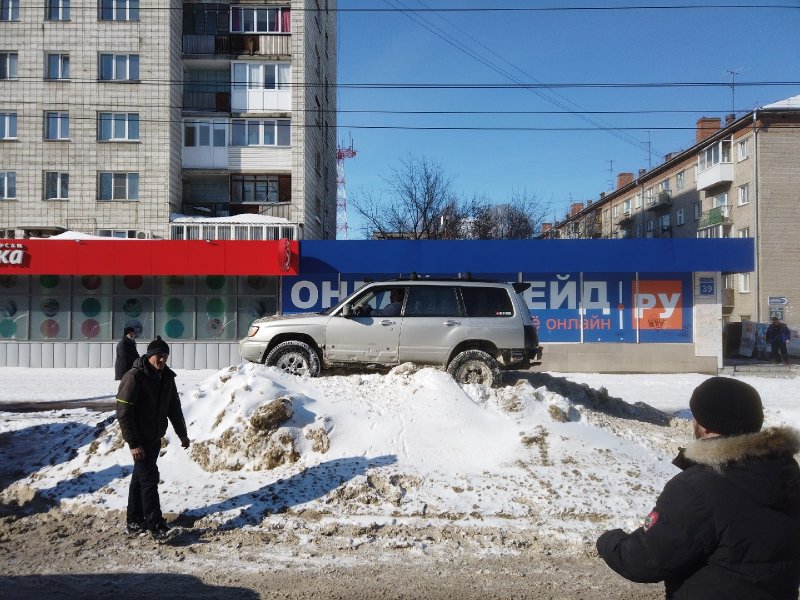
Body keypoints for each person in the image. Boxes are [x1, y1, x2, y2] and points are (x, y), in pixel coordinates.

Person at [596, 376, 800, 599]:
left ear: (704, 424)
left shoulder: (699, 487)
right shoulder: (786, 472)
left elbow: (642, 561)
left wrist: (608, 540)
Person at [116, 336, 191, 540]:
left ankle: (134, 520)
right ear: (150, 356)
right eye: (159, 356)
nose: (162, 360)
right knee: (149, 479)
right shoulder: (134, 377)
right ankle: (156, 526)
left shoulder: (166, 377)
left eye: (165, 356)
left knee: (139, 479)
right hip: (139, 439)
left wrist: (182, 434)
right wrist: (133, 443)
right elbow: (123, 413)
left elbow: (174, 407)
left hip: (154, 436)